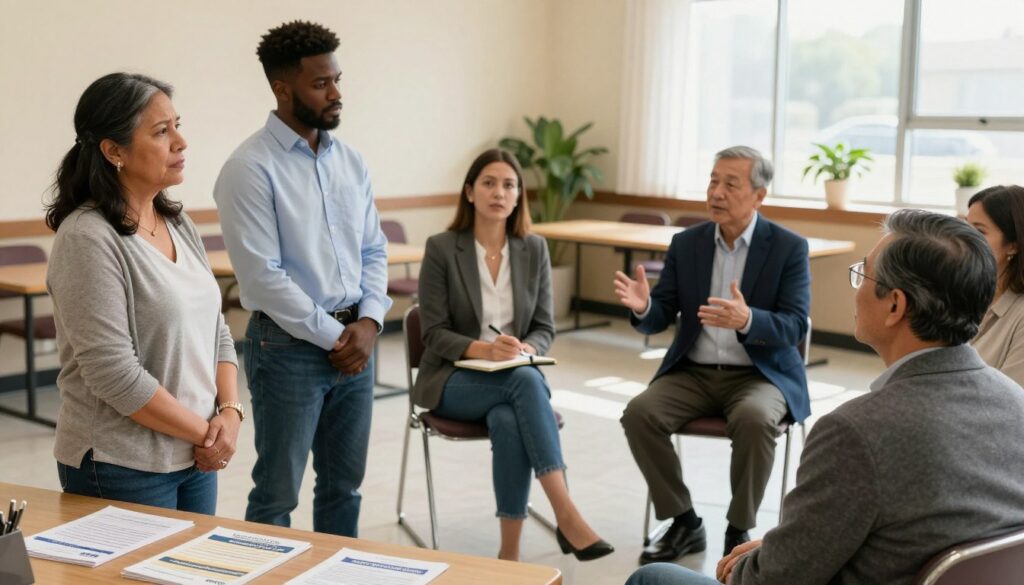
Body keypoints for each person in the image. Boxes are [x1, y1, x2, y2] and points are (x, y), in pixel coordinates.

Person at [625, 209, 1024, 585]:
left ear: (895, 305)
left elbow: (772, 580)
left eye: (863, 276)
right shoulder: (1016, 403)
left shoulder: (856, 432)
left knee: (653, 577)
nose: (856, 291)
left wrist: (744, 566)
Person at [213, 21, 391, 537]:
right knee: (276, 495)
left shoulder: (351, 161)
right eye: (321, 84)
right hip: (289, 348)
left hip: (357, 341)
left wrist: (371, 323)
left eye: (338, 80)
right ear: (282, 88)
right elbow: (263, 279)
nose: (336, 94)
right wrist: (341, 337)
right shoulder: (248, 168)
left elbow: (373, 249)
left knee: (344, 488)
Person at [45, 73, 241, 514]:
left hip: (194, 453)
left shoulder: (179, 224)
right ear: (114, 151)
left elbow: (217, 330)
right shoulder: (88, 237)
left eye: (177, 124)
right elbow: (113, 373)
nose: (181, 142)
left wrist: (229, 412)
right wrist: (207, 432)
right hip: (121, 463)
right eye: (161, 131)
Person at [414, 148, 613, 562]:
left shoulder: (533, 248)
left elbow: (544, 327)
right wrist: (484, 348)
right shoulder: (441, 248)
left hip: (511, 378)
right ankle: (567, 514)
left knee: (508, 417)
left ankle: (509, 556)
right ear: (469, 192)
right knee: (524, 383)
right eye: (488, 183)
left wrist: (527, 348)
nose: (498, 192)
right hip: (452, 380)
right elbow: (433, 334)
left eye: (508, 185)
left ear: (519, 195)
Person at [615, 146, 811, 563]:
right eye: (712, 181)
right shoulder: (688, 244)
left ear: (759, 195)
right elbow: (661, 314)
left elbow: (795, 325)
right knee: (639, 413)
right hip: (694, 372)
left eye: (730, 183)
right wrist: (644, 307)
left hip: (760, 375)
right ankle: (685, 521)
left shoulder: (788, 248)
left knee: (755, 420)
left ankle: (738, 529)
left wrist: (748, 320)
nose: (716, 192)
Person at [966, 185, 1024, 386]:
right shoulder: (963, 293)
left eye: (979, 231)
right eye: (965, 228)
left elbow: (1014, 403)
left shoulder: (1021, 316)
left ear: (1013, 245)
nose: (964, 239)